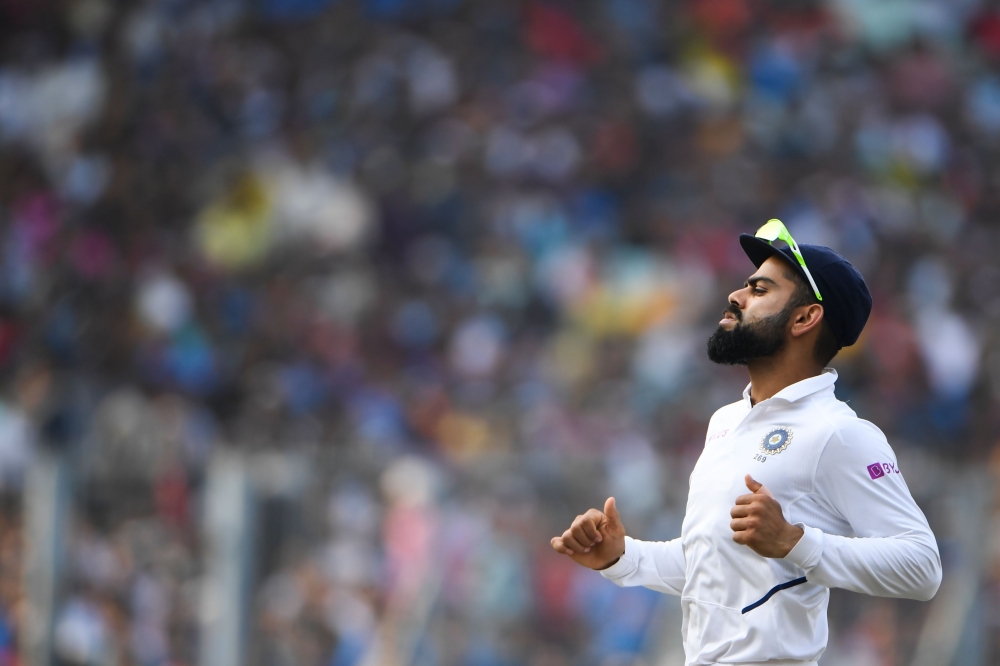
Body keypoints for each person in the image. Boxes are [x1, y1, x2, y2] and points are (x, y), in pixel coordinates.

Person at [550, 221, 941, 666]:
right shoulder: (726, 420)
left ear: (805, 318)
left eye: (759, 290)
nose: (736, 296)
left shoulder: (839, 432)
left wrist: (796, 542)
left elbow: (922, 566)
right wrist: (624, 557)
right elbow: (717, 562)